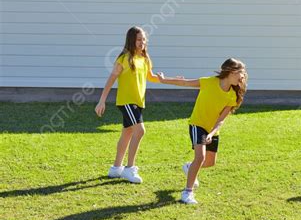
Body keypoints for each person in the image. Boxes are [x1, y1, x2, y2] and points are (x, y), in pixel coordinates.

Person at [158, 58, 247, 204]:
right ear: (231, 72)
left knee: (210, 162)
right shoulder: (208, 82)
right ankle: (187, 193)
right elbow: (185, 82)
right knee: (200, 157)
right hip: (197, 124)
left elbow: (221, 120)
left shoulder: (233, 95)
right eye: (240, 73)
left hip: (212, 130)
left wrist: (211, 134)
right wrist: (163, 80)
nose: (243, 77)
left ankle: (189, 167)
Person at [95, 26, 160, 183]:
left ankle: (116, 168)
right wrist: (102, 100)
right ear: (131, 40)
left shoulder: (145, 58)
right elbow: (111, 78)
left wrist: (165, 79)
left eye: (144, 39)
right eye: (139, 39)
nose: (142, 42)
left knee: (128, 133)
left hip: (138, 102)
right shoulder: (124, 58)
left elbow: (150, 77)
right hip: (126, 102)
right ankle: (129, 168)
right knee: (140, 131)